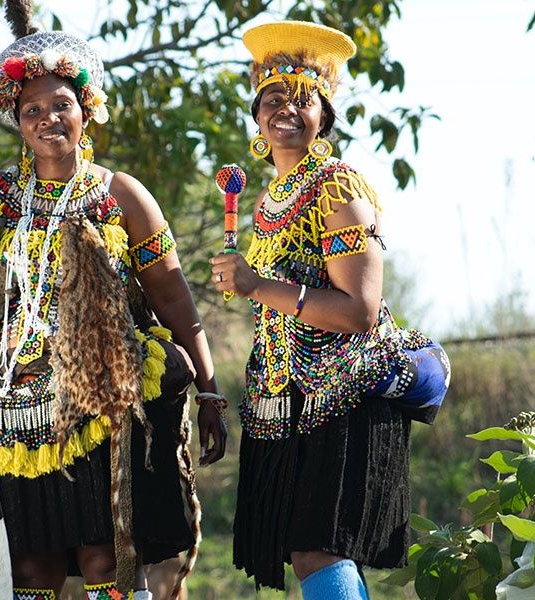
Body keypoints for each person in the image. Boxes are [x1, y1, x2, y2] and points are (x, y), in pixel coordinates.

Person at [0, 2, 227, 599]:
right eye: (32, 110)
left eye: (61, 105)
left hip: (103, 401)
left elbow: (176, 301)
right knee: (31, 569)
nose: (48, 119)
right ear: (17, 122)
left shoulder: (123, 196)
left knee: (107, 558)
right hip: (10, 409)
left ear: (86, 112)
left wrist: (208, 389)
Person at [210, 20, 440, 599]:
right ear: (257, 117)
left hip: (345, 394)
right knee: (308, 551)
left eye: (304, 99)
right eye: (273, 99)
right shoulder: (265, 204)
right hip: (286, 396)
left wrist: (257, 285)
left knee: (319, 548)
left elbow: (360, 311)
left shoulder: (340, 188)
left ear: (325, 117)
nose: (286, 109)